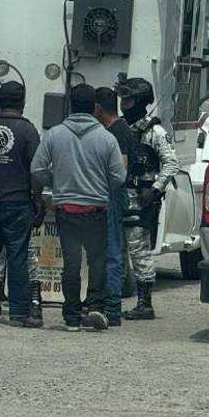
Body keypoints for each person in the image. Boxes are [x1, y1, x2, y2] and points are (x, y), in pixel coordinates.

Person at [32, 84, 126, 332]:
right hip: (96, 209)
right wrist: (99, 183)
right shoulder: (107, 138)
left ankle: (71, 315)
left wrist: (58, 180)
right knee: (97, 261)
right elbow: (119, 176)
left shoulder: (55, 134)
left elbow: (37, 169)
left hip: (66, 209)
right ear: (95, 107)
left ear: (69, 105)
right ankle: (95, 307)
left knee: (71, 264)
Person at [0, 81, 43, 328]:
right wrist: (37, 198)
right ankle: (19, 312)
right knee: (18, 257)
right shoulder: (28, 131)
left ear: (0, 101)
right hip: (18, 202)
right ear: (22, 103)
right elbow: (37, 169)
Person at [117, 77, 178, 321]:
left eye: (129, 100)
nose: (124, 104)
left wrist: (154, 189)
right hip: (119, 196)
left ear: (141, 102)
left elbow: (171, 163)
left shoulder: (154, 131)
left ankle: (145, 303)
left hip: (141, 200)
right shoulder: (119, 128)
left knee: (139, 250)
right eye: (123, 99)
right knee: (116, 250)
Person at [95, 86, 136, 327]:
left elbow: (120, 170)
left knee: (112, 250)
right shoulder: (114, 129)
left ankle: (112, 306)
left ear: (99, 108)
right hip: (111, 194)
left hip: (113, 195)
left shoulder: (118, 131)